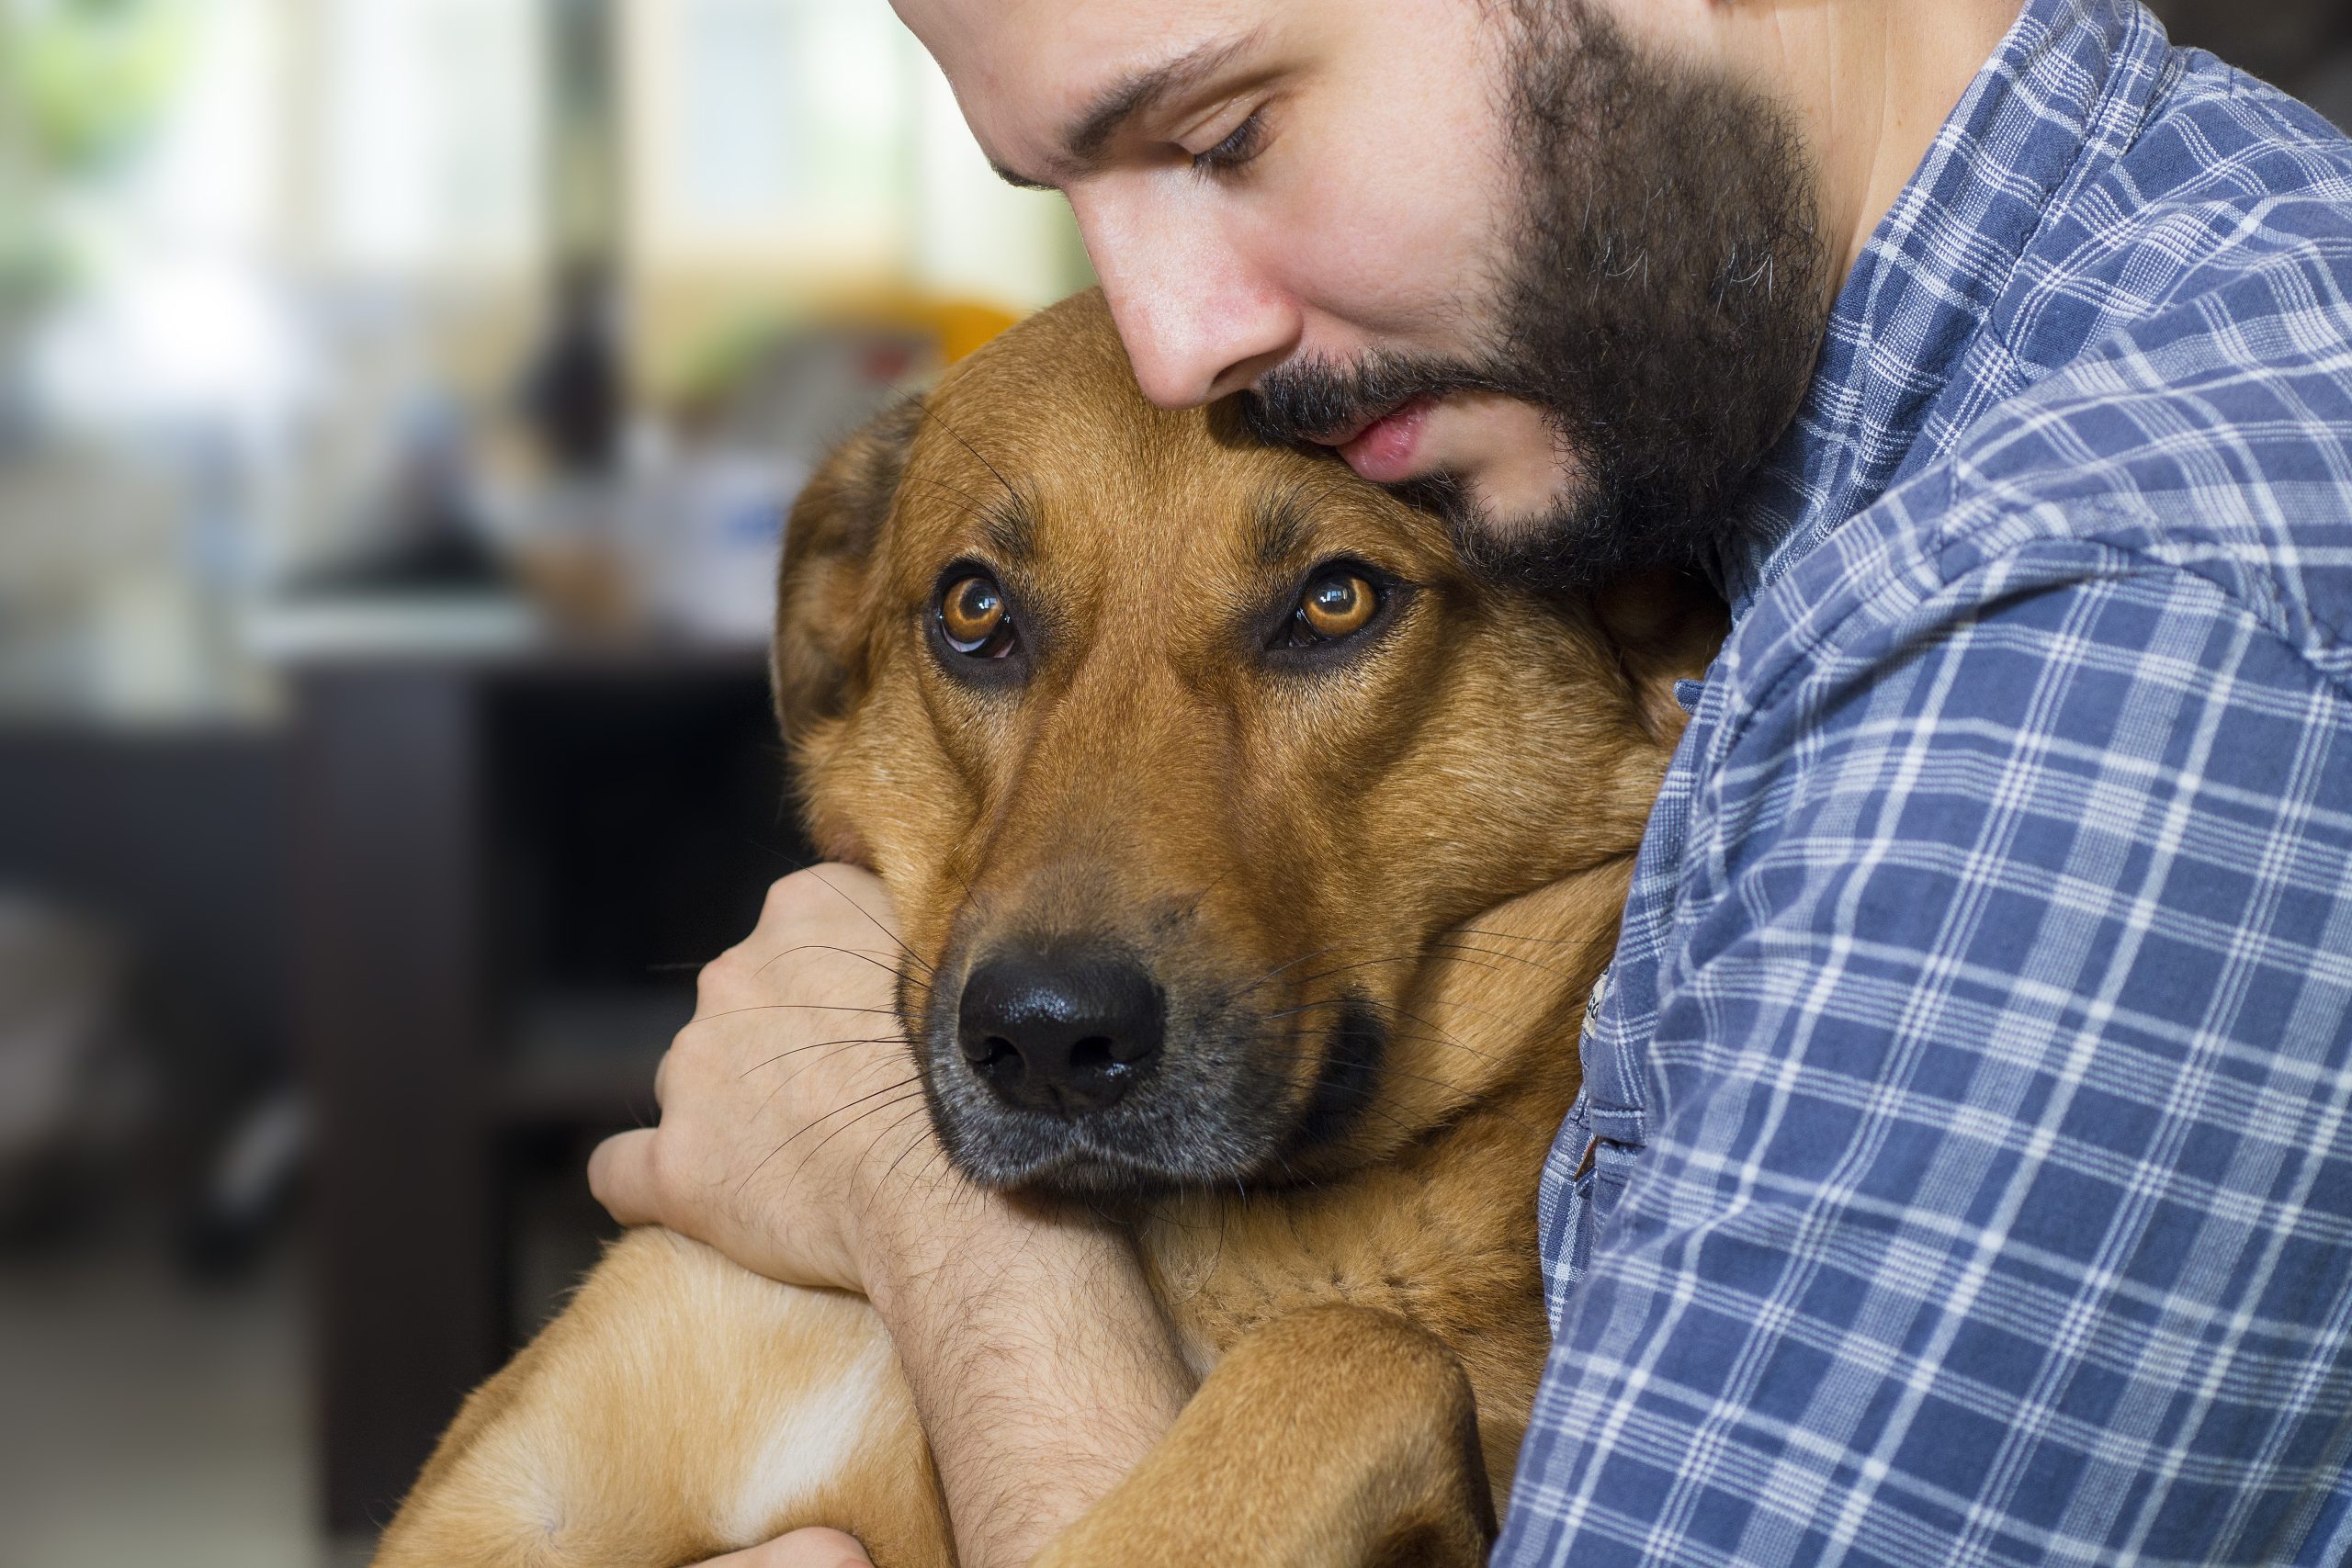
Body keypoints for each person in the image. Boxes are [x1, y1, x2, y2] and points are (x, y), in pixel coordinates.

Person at [589, 1, 2352, 1562]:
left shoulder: (2101, 633)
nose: (1167, 341)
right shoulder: (1806, 454)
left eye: (1227, 135)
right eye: (1069, 196)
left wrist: (946, 1232)